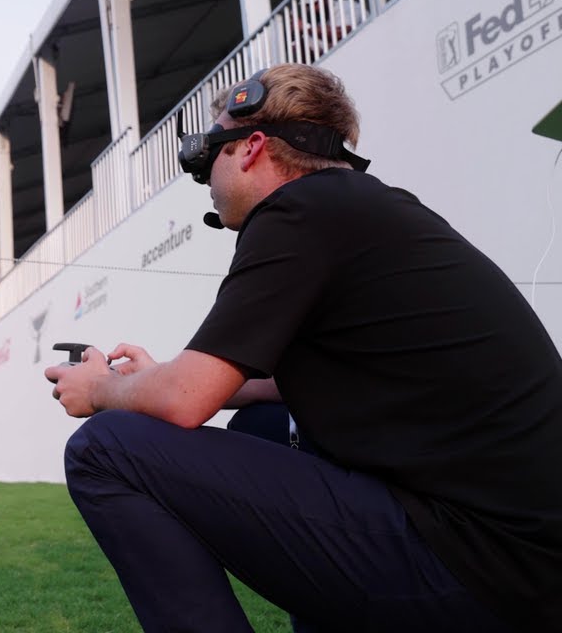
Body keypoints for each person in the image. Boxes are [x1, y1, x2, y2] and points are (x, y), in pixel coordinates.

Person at [46, 63, 562, 632]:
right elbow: (260, 382)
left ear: (251, 148)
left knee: (105, 448)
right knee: (264, 426)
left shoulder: (297, 212)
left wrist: (101, 389)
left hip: (482, 569)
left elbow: (185, 400)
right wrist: (160, 381)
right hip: (523, 566)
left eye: (207, 159)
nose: (206, 179)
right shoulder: (362, 207)